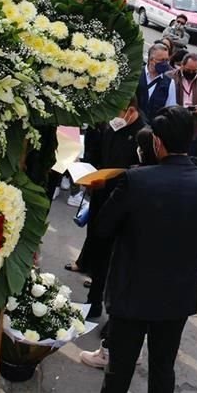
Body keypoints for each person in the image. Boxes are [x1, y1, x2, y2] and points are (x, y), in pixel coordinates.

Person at [96, 106, 197, 393]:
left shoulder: (136, 179)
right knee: (163, 369)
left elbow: (103, 228)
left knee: (119, 371)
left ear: (157, 142)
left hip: (131, 292)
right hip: (176, 297)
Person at [79, 125, 157, 371]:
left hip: (125, 250)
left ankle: (111, 350)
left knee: (122, 299)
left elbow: (105, 224)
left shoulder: (135, 179)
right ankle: (132, 348)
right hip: (153, 265)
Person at [72, 100, 147, 319]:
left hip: (122, 204)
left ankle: (101, 303)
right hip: (99, 196)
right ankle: (95, 295)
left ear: (131, 111)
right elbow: (96, 154)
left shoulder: (143, 135)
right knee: (97, 246)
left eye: (118, 111)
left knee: (112, 255)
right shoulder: (108, 126)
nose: (113, 116)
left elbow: (137, 174)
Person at [168, 53, 197, 161]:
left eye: (194, 71)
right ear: (182, 65)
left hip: (192, 127)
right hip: (172, 125)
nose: (191, 73)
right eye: (188, 70)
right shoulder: (170, 77)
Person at [136, 43, 175, 123]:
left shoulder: (170, 83)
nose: (165, 63)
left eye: (167, 60)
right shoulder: (136, 74)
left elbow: (169, 109)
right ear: (151, 60)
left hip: (152, 129)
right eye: (161, 60)